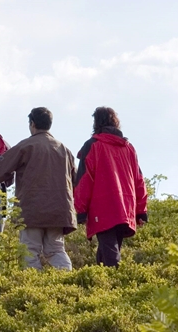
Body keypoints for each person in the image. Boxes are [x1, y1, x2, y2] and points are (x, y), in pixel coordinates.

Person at [0, 107, 77, 270]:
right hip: (59, 210)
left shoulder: (26, 146)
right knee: (56, 250)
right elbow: (76, 179)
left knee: (29, 250)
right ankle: (66, 283)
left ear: (32, 124)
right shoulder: (64, 149)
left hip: (31, 210)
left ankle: (33, 286)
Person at [74, 106, 148, 268]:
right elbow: (139, 180)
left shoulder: (92, 145)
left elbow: (84, 180)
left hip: (103, 207)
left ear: (96, 122)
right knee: (108, 249)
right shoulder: (128, 148)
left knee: (109, 252)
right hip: (126, 207)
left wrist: (81, 210)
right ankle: (104, 284)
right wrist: (141, 211)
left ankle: (117, 285)